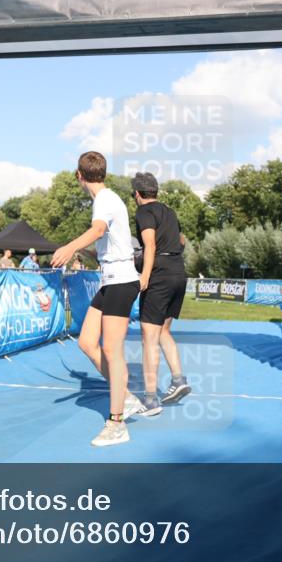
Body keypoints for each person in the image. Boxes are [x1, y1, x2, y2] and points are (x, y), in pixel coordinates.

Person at [52, 151, 152, 447]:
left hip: (121, 282)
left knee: (112, 349)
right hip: (111, 281)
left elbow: (97, 229)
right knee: (86, 341)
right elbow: (107, 242)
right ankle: (126, 396)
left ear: (79, 176)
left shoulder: (105, 200)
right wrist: (85, 252)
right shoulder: (107, 201)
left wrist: (70, 247)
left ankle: (117, 422)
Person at [132, 172, 191, 408]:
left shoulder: (144, 212)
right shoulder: (169, 211)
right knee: (164, 331)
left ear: (137, 194)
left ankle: (149, 398)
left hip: (160, 275)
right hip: (178, 272)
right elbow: (182, 240)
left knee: (149, 336)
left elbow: (150, 244)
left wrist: (144, 276)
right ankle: (179, 380)